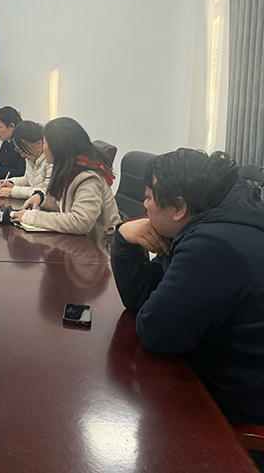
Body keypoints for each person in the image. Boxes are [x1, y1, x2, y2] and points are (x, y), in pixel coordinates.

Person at [111, 149, 264, 470]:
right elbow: (146, 298)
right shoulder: (222, 215)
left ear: (179, 206)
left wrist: (126, 243)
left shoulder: (213, 246)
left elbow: (156, 333)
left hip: (231, 413)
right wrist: (125, 239)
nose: (144, 206)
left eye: (149, 197)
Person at [14, 117, 120, 256]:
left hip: (99, 254)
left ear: (58, 148)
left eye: (45, 143)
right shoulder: (70, 170)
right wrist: (42, 199)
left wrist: (33, 217)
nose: (43, 148)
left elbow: (81, 222)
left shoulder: (88, 178)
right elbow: (67, 203)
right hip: (78, 247)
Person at [0, 120, 51, 200]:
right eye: (19, 151)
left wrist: (13, 191)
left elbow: (45, 192)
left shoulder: (50, 161)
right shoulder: (30, 158)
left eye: (23, 151)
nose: (22, 155)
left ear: (38, 144)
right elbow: (28, 180)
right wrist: (11, 182)